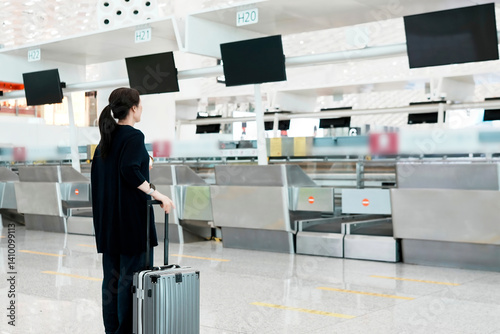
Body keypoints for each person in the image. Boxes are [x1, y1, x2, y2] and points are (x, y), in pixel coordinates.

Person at [90, 87, 174, 334]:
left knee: (112, 282)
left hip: (109, 225)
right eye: (141, 105)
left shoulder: (105, 141)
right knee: (132, 281)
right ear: (133, 108)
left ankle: (113, 330)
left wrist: (144, 161)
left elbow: (116, 171)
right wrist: (159, 195)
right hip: (131, 224)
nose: (142, 109)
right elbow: (129, 171)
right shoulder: (134, 136)